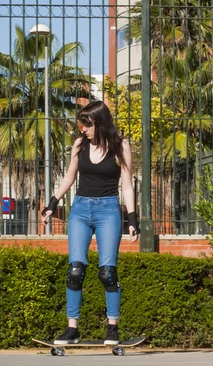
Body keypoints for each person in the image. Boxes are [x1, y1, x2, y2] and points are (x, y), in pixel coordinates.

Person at [41, 100, 139, 345]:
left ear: (100, 122)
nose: (82, 128)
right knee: (75, 270)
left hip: (108, 209)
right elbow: (69, 177)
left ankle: (112, 328)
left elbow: (127, 185)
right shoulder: (79, 145)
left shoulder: (121, 146)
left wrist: (133, 219)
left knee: (108, 272)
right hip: (81, 209)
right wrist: (52, 203)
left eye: (86, 124)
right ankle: (72, 329)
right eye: (81, 123)